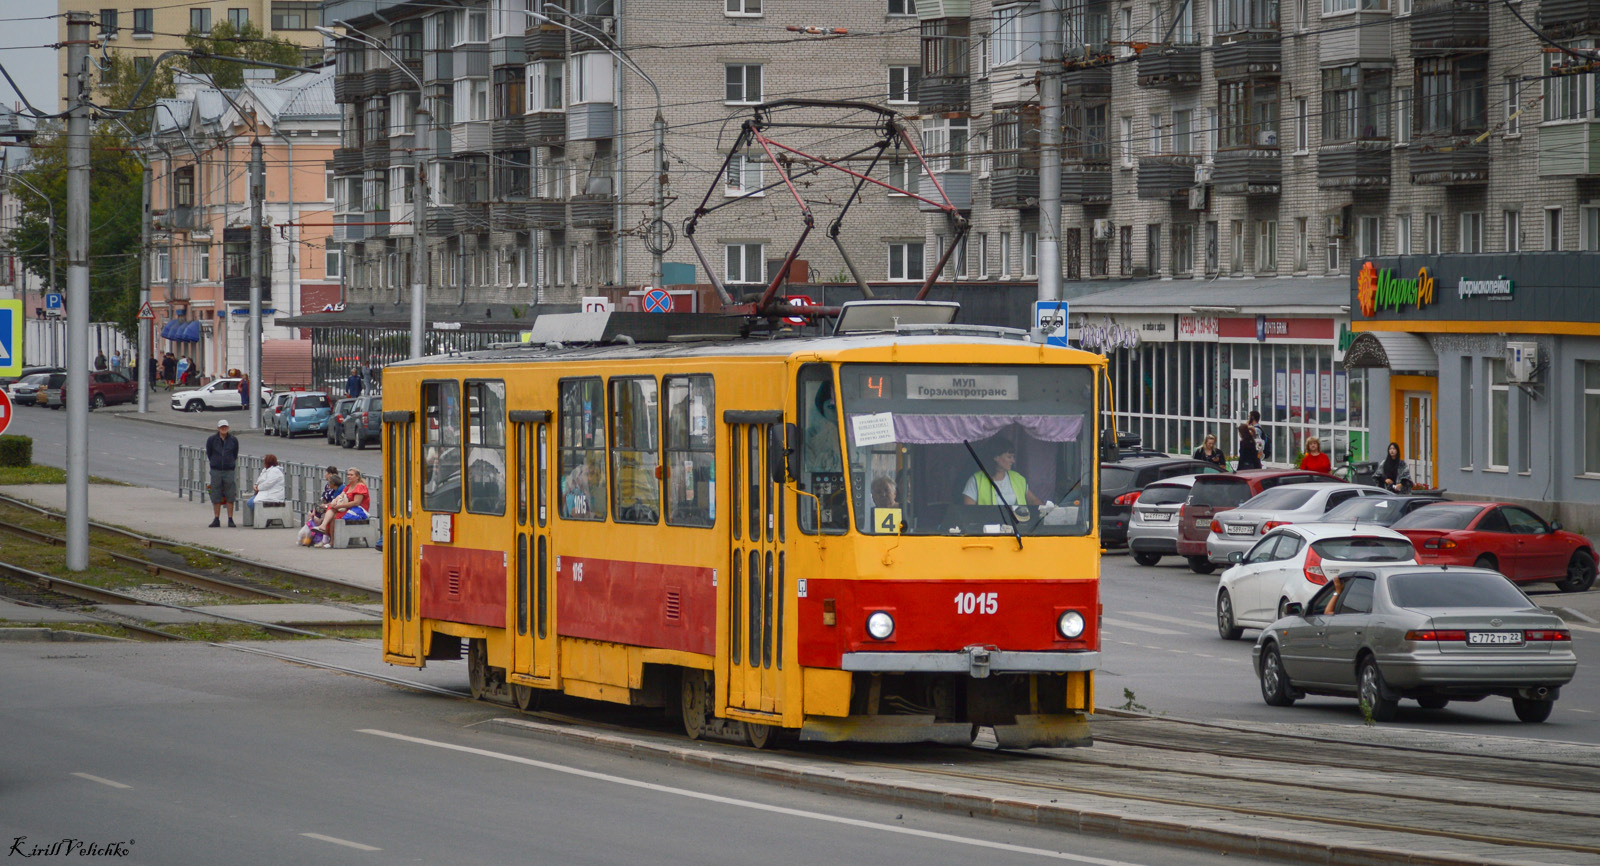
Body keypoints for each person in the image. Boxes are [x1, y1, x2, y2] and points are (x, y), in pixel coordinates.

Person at [963, 439, 1045, 508]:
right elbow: (969, 511)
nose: (1013, 461)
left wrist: (1046, 509)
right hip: (989, 526)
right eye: (1009, 457)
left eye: (1013, 457)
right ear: (996, 457)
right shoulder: (975, 480)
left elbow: (1033, 500)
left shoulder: (1018, 478)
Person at [314, 468, 370, 546]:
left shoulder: (360, 486)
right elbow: (341, 495)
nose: (349, 476)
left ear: (357, 477)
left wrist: (339, 506)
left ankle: (332, 541)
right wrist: (334, 502)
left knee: (335, 516)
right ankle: (323, 527)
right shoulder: (349, 485)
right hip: (349, 507)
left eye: (351, 475)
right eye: (348, 475)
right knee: (331, 508)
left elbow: (356, 503)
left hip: (359, 510)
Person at [205, 419, 241, 527]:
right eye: (221, 427)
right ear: (218, 428)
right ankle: (216, 518)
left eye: (225, 427)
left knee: (230, 494)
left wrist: (229, 463)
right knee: (216, 494)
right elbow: (209, 453)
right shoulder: (212, 440)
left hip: (229, 470)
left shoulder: (233, 440)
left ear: (228, 428)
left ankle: (230, 519)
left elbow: (235, 454)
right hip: (216, 470)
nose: (223, 429)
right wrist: (215, 463)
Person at [301, 466, 345, 546]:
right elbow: (322, 499)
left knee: (319, 518)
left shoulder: (337, 488)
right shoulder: (328, 486)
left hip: (330, 508)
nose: (325, 475)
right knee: (311, 514)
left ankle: (322, 538)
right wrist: (315, 509)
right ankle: (310, 538)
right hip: (325, 507)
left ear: (330, 474)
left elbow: (334, 502)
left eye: (326, 473)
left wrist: (325, 506)